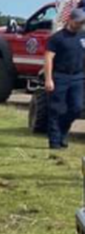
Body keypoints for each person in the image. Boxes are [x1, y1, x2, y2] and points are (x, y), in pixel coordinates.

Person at [44, 8, 85, 149]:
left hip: (78, 77)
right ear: (70, 20)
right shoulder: (57, 38)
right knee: (56, 110)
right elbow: (48, 58)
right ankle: (55, 141)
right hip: (60, 76)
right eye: (78, 22)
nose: (80, 24)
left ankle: (62, 130)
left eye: (82, 22)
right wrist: (48, 79)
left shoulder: (83, 36)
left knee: (77, 108)